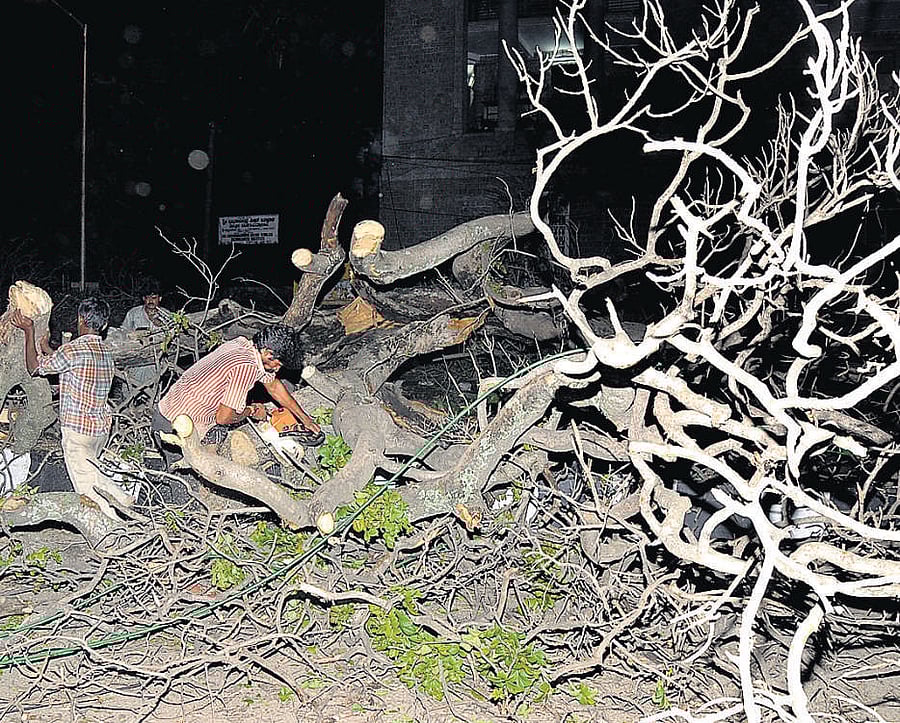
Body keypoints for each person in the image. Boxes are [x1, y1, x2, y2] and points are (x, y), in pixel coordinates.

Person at [12, 298, 134, 520]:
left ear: (80, 319)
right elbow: (78, 373)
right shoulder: (106, 353)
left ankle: (112, 532)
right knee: (93, 472)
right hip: (100, 431)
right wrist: (48, 348)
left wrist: (29, 331)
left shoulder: (72, 350)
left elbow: (34, 368)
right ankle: (123, 497)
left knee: (89, 495)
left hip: (78, 433)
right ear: (104, 325)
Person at [151, 324, 321, 465]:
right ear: (268, 353)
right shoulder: (246, 367)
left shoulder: (243, 344)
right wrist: (253, 411)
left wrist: (304, 418)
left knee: (218, 442)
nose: (278, 369)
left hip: (172, 410)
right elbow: (224, 418)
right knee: (188, 472)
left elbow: (274, 386)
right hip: (173, 426)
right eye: (278, 364)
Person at [120, 281, 170, 390]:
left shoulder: (167, 315)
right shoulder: (133, 313)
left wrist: (159, 323)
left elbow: (171, 336)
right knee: (130, 392)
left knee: (154, 393)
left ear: (160, 298)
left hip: (155, 362)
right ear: (144, 299)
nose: (150, 301)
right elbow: (123, 333)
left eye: (154, 298)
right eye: (147, 298)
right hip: (135, 361)